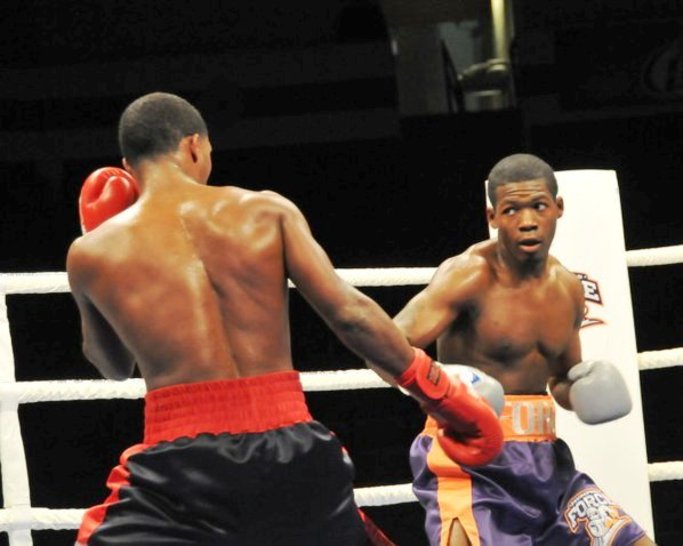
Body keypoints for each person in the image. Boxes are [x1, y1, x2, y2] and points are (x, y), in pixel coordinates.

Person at [65, 91, 505, 546]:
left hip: (177, 470)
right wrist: (440, 393)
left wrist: (97, 244)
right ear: (194, 145)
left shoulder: (91, 252)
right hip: (293, 451)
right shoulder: (267, 211)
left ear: (128, 164)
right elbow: (350, 315)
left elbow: (112, 366)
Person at [392, 153, 656, 546]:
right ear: (492, 217)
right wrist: (444, 387)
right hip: (471, 461)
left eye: (538, 206)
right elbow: (392, 344)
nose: (527, 221)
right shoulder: (467, 276)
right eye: (512, 210)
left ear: (558, 208)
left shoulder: (567, 288)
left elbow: (561, 377)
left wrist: (582, 389)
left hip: (548, 463)